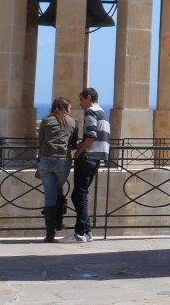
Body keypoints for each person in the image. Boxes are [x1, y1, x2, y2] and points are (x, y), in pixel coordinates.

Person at [60, 87, 110, 243]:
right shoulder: (102, 112)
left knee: (80, 195)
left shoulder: (91, 111)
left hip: (88, 156)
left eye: (81, 100)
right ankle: (86, 231)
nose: (80, 104)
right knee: (79, 194)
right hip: (98, 156)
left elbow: (91, 135)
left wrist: (78, 152)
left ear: (88, 98)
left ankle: (80, 233)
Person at [34, 97, 77, 243]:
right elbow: (74, 142)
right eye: (70, 108)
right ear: (65, 108)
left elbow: (40, 141)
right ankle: (59, 221)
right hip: (62, 161)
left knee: (50, 195)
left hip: (45, 160)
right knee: (58, 189)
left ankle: (50, 234)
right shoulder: (72, 122)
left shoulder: (46, 120)